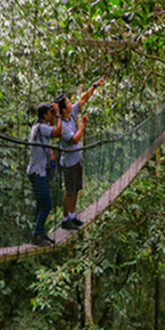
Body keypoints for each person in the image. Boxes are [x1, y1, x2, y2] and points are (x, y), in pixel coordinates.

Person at [55, 76, 105, 230]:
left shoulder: (70, 114)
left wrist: (94, 85)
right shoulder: (62, 126)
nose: (72, 103)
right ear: (63, 108)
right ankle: (65, 220)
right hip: (69, 163)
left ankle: (72, 216)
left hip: (76, 160)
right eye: (69, 103)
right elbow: (76, 140)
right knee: (69, 192)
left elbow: (83, 99)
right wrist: (82, 124)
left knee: (76, 189)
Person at [26, 102, 62, 246]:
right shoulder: (41, 127)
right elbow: (58, 132)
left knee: (42, 204)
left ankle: (40, 233)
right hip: (37, 172)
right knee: (46, 204)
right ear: (46, 115)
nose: (52, 116)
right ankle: (36, 236)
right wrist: (59, 114)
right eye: (51, 113)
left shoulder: (39, 127)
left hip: (38, 171)